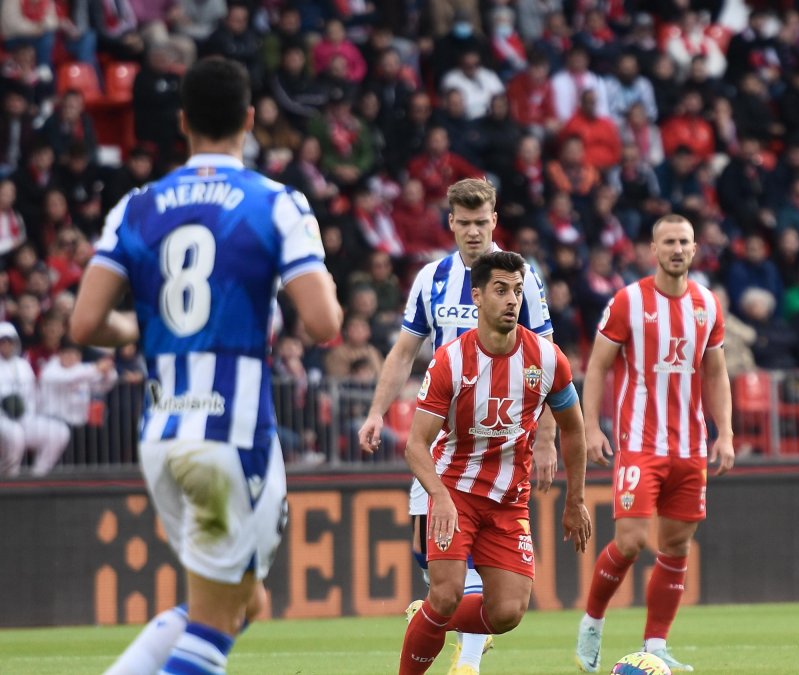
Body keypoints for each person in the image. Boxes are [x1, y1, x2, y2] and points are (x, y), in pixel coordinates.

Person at [71, 58, 342, 675]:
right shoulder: (274, 203)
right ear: (249, 120)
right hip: (230, 437)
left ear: (184, 122)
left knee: (243, 603)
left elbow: (84, 325)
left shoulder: (138, 206)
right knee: (217, 625)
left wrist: (145, 330)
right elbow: (324, 324)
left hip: (162, 436)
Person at [357, 178, 556, 675]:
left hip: (499, 443)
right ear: (451, 223)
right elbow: (405, 351)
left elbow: (550, 359)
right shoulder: (430, 279)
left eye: (480, 221)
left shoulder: (518, 278)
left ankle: (466, 662)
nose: (472, 231)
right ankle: (448, 625)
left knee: (468, 572)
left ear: (494, 220)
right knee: (433, 565)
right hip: (440, 439)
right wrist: (377, 411)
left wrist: (549, 436)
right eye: (463, 222)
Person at [398, 251, 591, 675]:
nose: (511, 300)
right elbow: (416, 445)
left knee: (507, 613)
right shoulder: (450, 359)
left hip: (508, 501)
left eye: (518, 291)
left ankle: (426, 620)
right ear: (478, 295)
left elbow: (574, 430)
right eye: (501, 290)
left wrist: (575, 500)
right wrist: (439, 497)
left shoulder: (546, 358)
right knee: (447, 595)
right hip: (456, 493)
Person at [574, 214, 736, 673]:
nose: (678, 249)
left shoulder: (707, 304)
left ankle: (656, 643)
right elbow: (599, 365)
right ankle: (593, 620)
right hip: (640, 442)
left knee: (677, 545)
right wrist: (591, 427)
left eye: (685, 241)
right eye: (669, 242)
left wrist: (724, 431)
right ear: (653, 249)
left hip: (690, 446)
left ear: (694, 249)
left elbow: (716, 372)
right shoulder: (628, 302)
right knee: (630, 541)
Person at [0, 320, 70, 476]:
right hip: (3, 419)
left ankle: (38, 474)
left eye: (9, 341)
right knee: (15, 434)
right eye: (2, 341)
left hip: (26, 416)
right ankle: (8, 477)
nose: (6, 345)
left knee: (60, 431)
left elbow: (33, 394)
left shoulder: (22, 364)